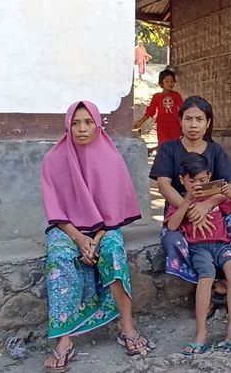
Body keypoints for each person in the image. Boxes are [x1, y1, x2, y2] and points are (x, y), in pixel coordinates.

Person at [41, 101, 147, 373]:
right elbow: (56, 210)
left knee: (113, 250)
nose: (81, 128)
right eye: (75, 123)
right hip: (68, 229)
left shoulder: (110, 158)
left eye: (88, 122)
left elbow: (113, 213)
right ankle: (64, 338)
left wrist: (95, 240)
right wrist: (79, 239)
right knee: (59, 257)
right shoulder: (54, 159)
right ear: (67, 126)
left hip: (104, 229)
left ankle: (126, 326)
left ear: (98, 124)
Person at [151, 96, 231, 295]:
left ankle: (224, 279)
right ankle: (211, 284)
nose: (193, 125)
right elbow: (163, 185)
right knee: (171, 240)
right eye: (188, 119)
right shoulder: (168, 149)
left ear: (208, 123)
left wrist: (205, 206)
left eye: (199, 119)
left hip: (214, 215)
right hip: (179, 215)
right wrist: (190, 211)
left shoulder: (215, 150)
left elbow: (227, 186)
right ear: (180, 121)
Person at [166, 153, 231, 354]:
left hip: (222, 245)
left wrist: (229, 194)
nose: (198, 185)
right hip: (198, 248)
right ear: (182, 180)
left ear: (210, 177)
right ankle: (201, 334)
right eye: (192, 181)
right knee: (206, 275)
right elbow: (172, 225)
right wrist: (187, 201)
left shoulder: (215, 199)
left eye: (203, 180)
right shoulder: (180, 202)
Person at [134, 68, 183, 154]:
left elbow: (183, 109)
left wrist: (184, 125)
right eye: (167, 81)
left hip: (175, 124)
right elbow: (150, 111)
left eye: (172, 81)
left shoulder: (176, 95)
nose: (170, 84)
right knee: (163, 145)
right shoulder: (156, 97)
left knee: (175, 145)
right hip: (162, 125)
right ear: (161, 83)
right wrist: (140, 122)